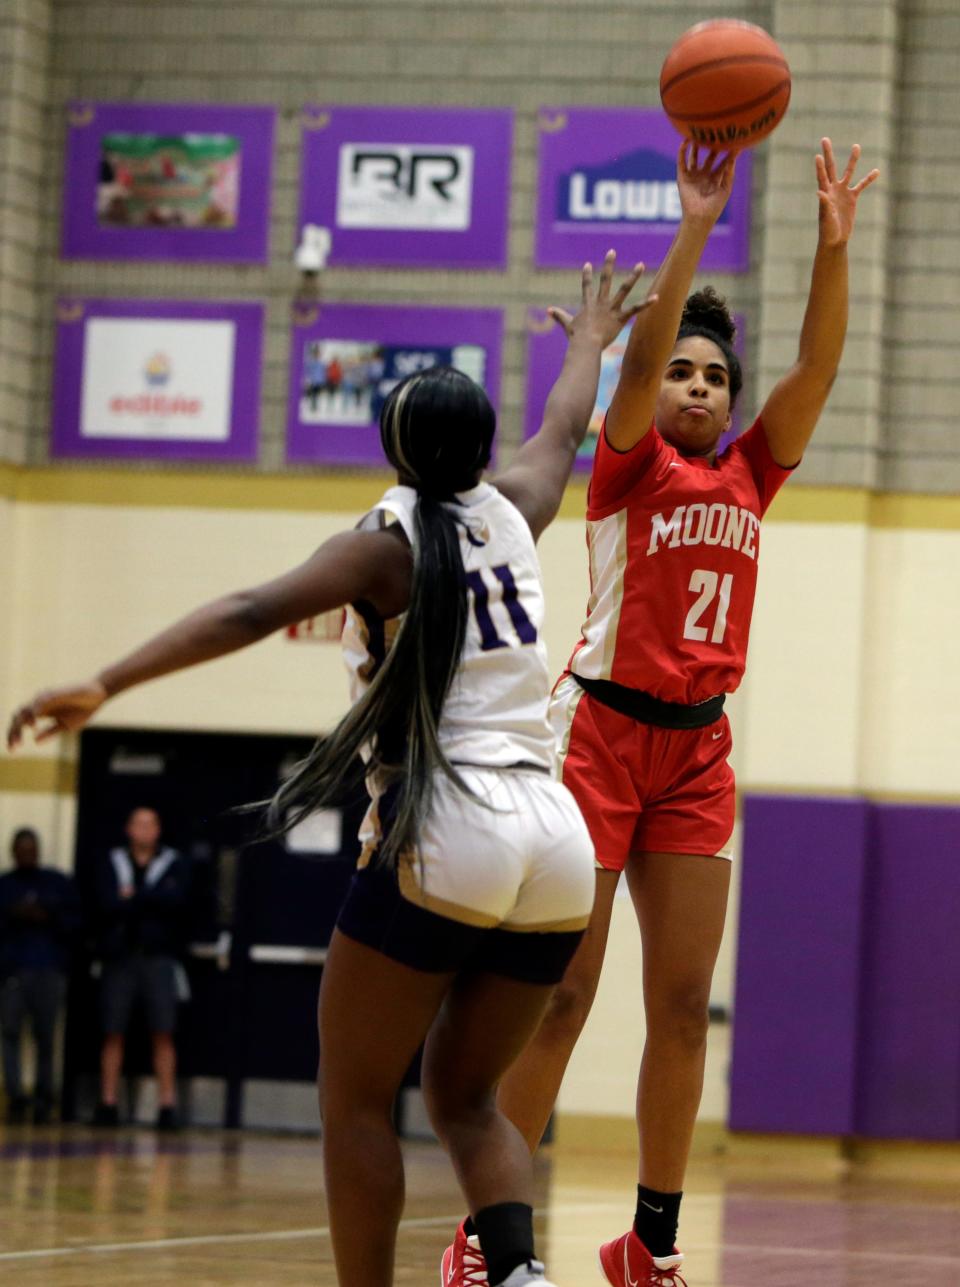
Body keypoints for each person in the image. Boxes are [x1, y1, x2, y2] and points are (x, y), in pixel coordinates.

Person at [6, 253, 653, 1287]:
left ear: (391, 445)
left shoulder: (385, 543)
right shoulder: (514, 507)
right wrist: (589, 342)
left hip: (455, 822)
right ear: (480, 447)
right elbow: (566, 423)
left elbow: (248, 612)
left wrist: (105, 681)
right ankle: (522, 1277)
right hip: (556, 839)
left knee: (354, 1101)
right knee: (468, 1100)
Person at [442, 139, 880, 1287]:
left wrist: (836, 247)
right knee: (564, 998)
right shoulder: (627, 468)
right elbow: (638, 367)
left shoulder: (752, 475)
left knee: (683, 1008)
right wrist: (696, 225)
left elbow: (819, 372)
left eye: (714, 379)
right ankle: (490, 1241)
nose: (698, 388)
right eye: (682, 372)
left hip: (696, 752)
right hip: (596, 737)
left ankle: (652, 1242)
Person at [92, 805, 191, 1131]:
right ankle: (107, 1103)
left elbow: (177, 902)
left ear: (159, 830)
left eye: (151, 824)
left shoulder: (174, 862)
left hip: (159, 958)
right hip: (120, 957)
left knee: (163, 1032)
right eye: (139, 823)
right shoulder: (113, 861)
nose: (144, 830)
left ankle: (166, 1106)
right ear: (128, 829)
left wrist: (134, 898)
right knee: (112, 1031)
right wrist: (150, 899)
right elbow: (105, 903)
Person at [0, 828, 80, 1124]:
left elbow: (75, 924)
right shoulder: (5, 886)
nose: (26, 854)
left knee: (45, 1037)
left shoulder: (55, 884)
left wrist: (47, 916)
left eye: (31, 849)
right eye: (21, 849)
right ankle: (15, 1096)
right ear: (13, 852)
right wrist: (13, 915)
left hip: (49, 970)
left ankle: (45, 1097)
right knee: (9, 1034)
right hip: (12, 972)